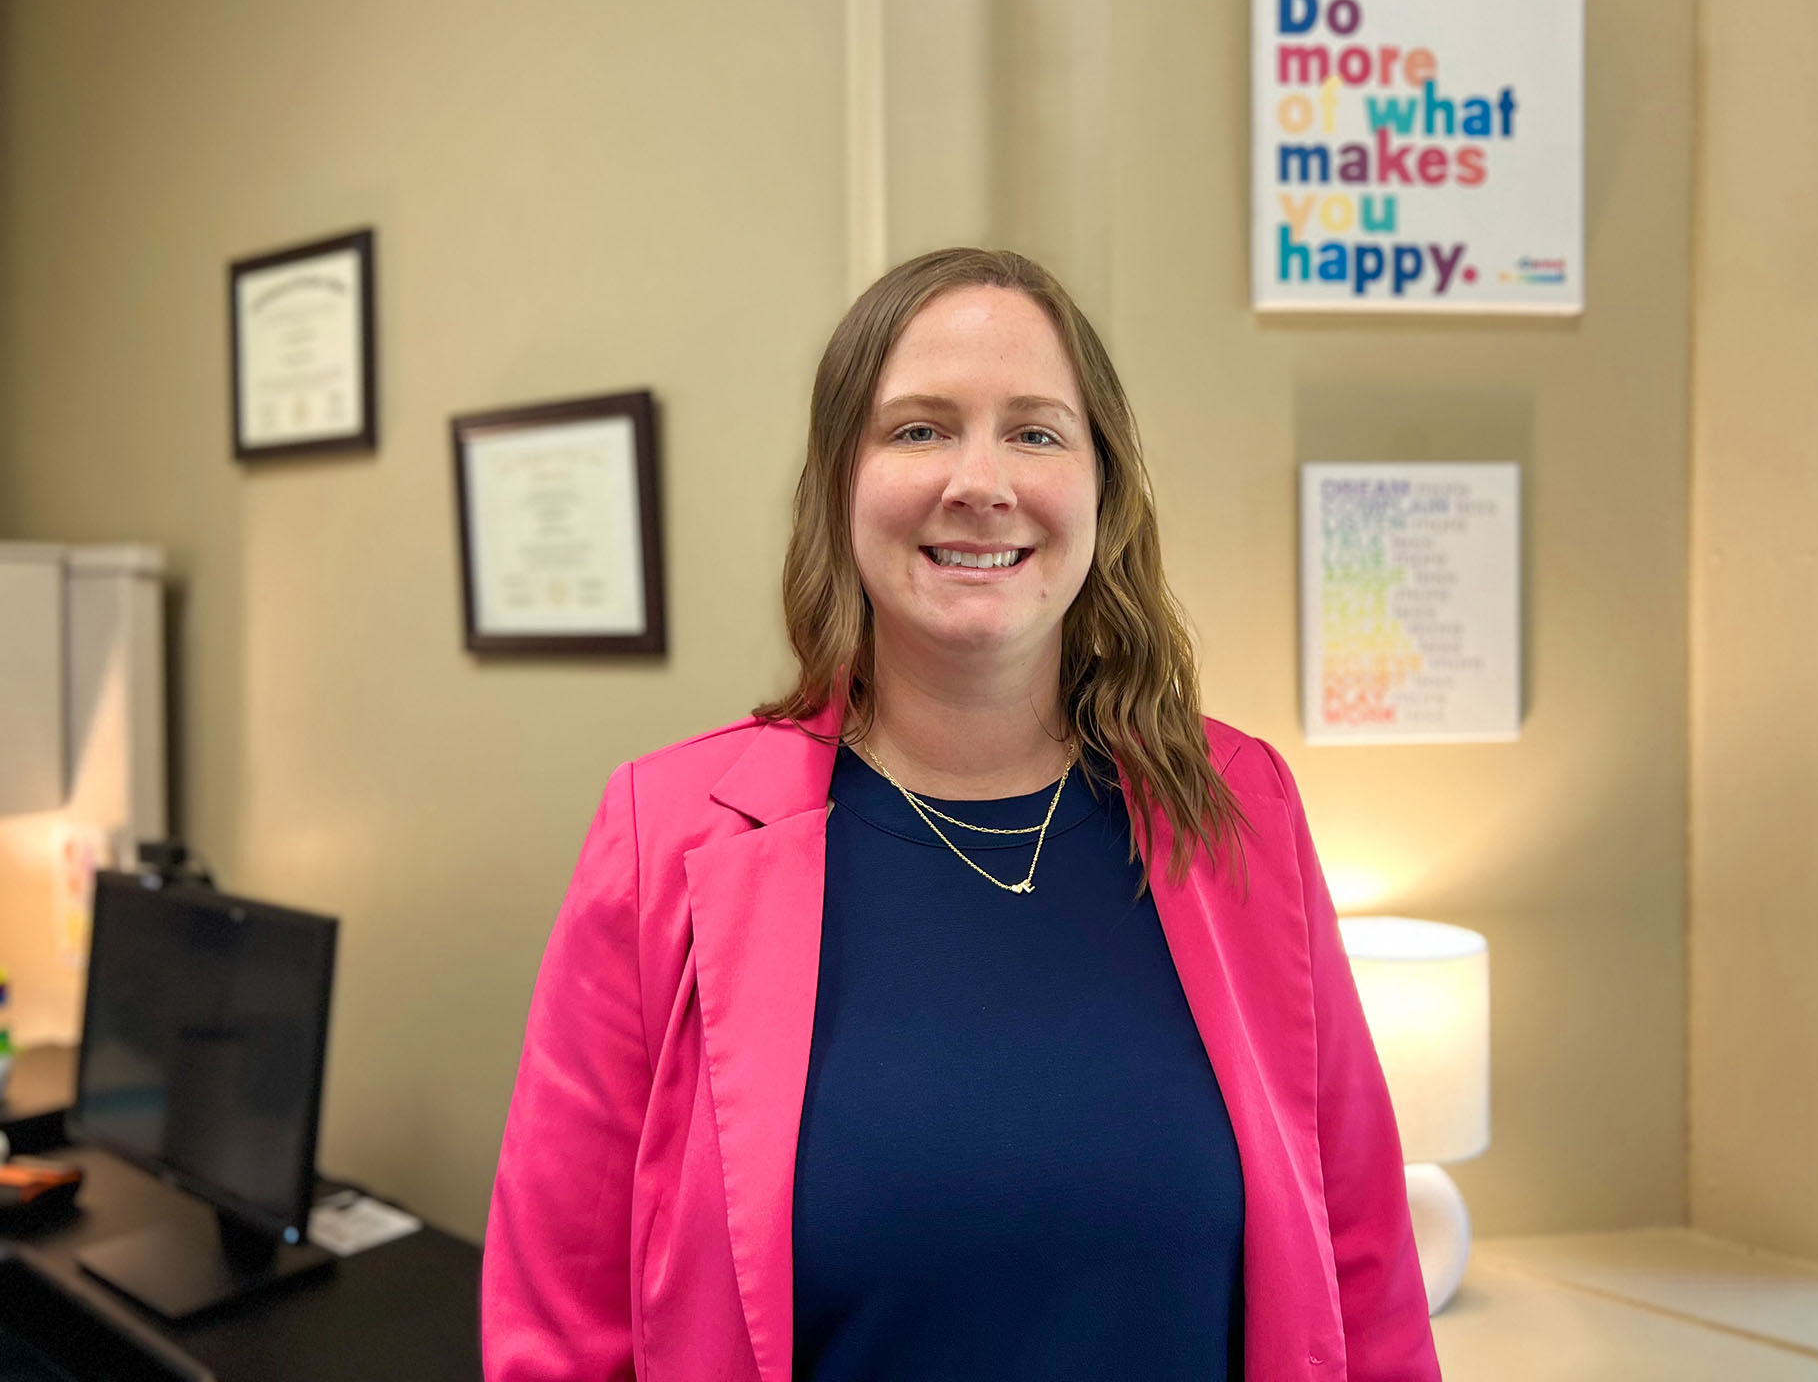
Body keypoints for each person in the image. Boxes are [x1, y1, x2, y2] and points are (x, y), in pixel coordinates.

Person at [481, 248, 1441, 1382]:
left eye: (1035, 432)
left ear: (1102, 487)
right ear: (840, 484)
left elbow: (1362, 1268)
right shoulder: (668, 834)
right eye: (919, 429)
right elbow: (558, 1320)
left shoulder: (1239, 808)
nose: (980, 481)